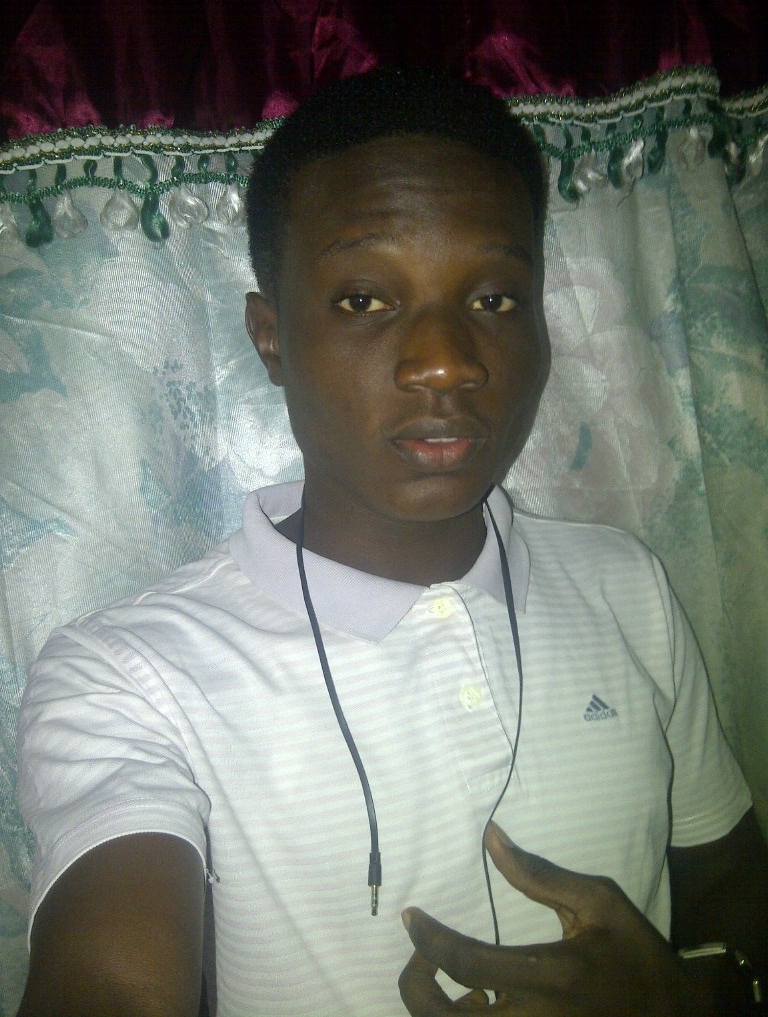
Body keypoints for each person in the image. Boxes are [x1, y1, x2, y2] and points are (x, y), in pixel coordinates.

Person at [15, 67, 768, 1017]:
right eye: (365, 300)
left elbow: (732, 883)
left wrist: (696, 996)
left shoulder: (626, 585)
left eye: (495, 298)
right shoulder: (129, 677)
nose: (447, 362)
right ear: (270, 337)